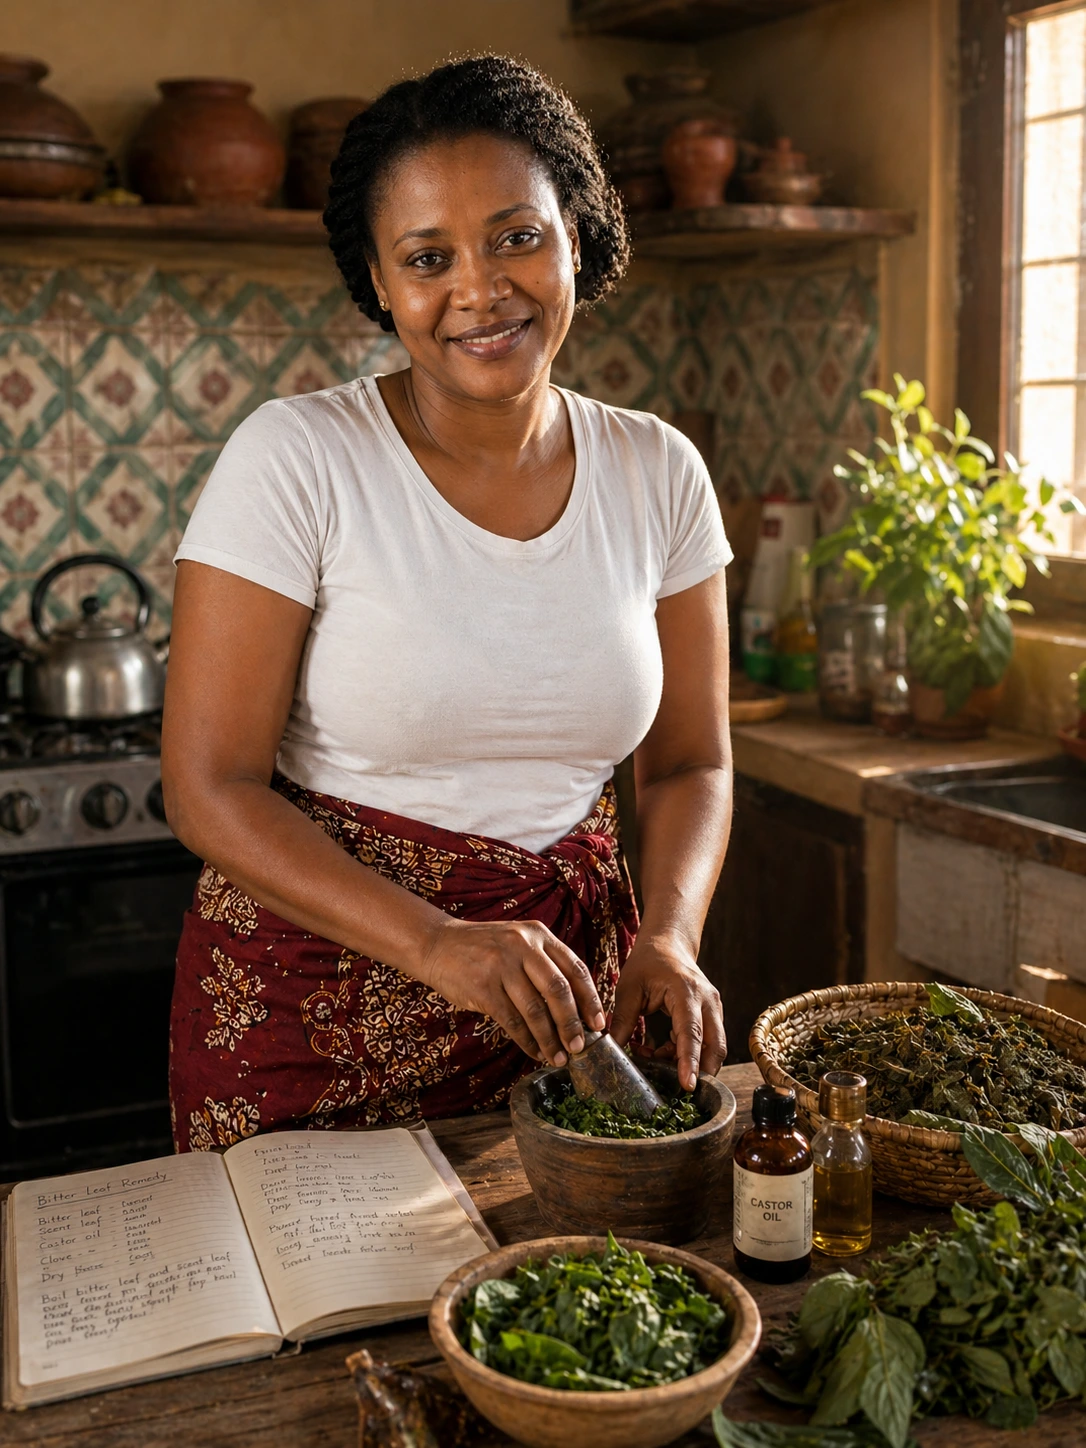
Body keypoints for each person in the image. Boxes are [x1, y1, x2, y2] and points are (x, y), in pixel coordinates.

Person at [161, 54, 732, 1154]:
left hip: (570, 1016)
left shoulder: (659, 470)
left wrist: (669, 934)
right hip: (311, 1012)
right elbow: (207, 788)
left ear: (578, 233)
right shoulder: (298, 459)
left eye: (517, 235)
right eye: (429, 258)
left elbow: (692, 763)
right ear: (379, 281)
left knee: (568, 1306)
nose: (480, 288)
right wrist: (439, 944)